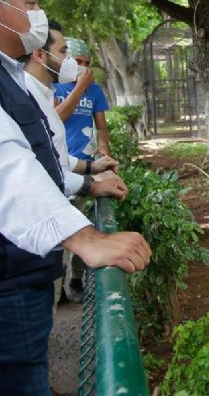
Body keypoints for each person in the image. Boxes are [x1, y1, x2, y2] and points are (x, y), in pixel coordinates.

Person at [0, 0, 151, 396]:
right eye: (30, 3)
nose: (37, 15)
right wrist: (85, 237)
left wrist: (86, 184)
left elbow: (42, 159)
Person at [22, 20, 129, 309]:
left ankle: (71, 283)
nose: (74, 63)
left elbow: (55, 160)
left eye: (80, 59)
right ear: (39, 55)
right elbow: (45, 161)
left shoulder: (45, 92)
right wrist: (80, 87)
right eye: (66, 53)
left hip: (75, 169)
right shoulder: (37, 94)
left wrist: (94, 166)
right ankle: (58, 292)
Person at [54, 37, 110, 161]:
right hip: (59, 158)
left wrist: (103, 144)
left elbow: (101, 128)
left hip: (87, 159)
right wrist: (81, 86)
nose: (83, 66)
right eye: (78, 61)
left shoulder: (94, 90)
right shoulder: (54, 86)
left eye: (86, 63)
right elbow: (55, 118)